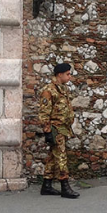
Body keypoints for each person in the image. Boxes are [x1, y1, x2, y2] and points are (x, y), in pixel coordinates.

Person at [38, 63, 79, 199]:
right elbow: (44, 113)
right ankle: (65, 186)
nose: (70, 77)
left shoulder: (63, 89)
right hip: (55, 129)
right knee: (61, 157)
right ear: (59, 74)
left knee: (52, 157)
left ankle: (47, 185)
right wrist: (47, 130)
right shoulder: (49, 90)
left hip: (63, 128)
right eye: (67, 74)